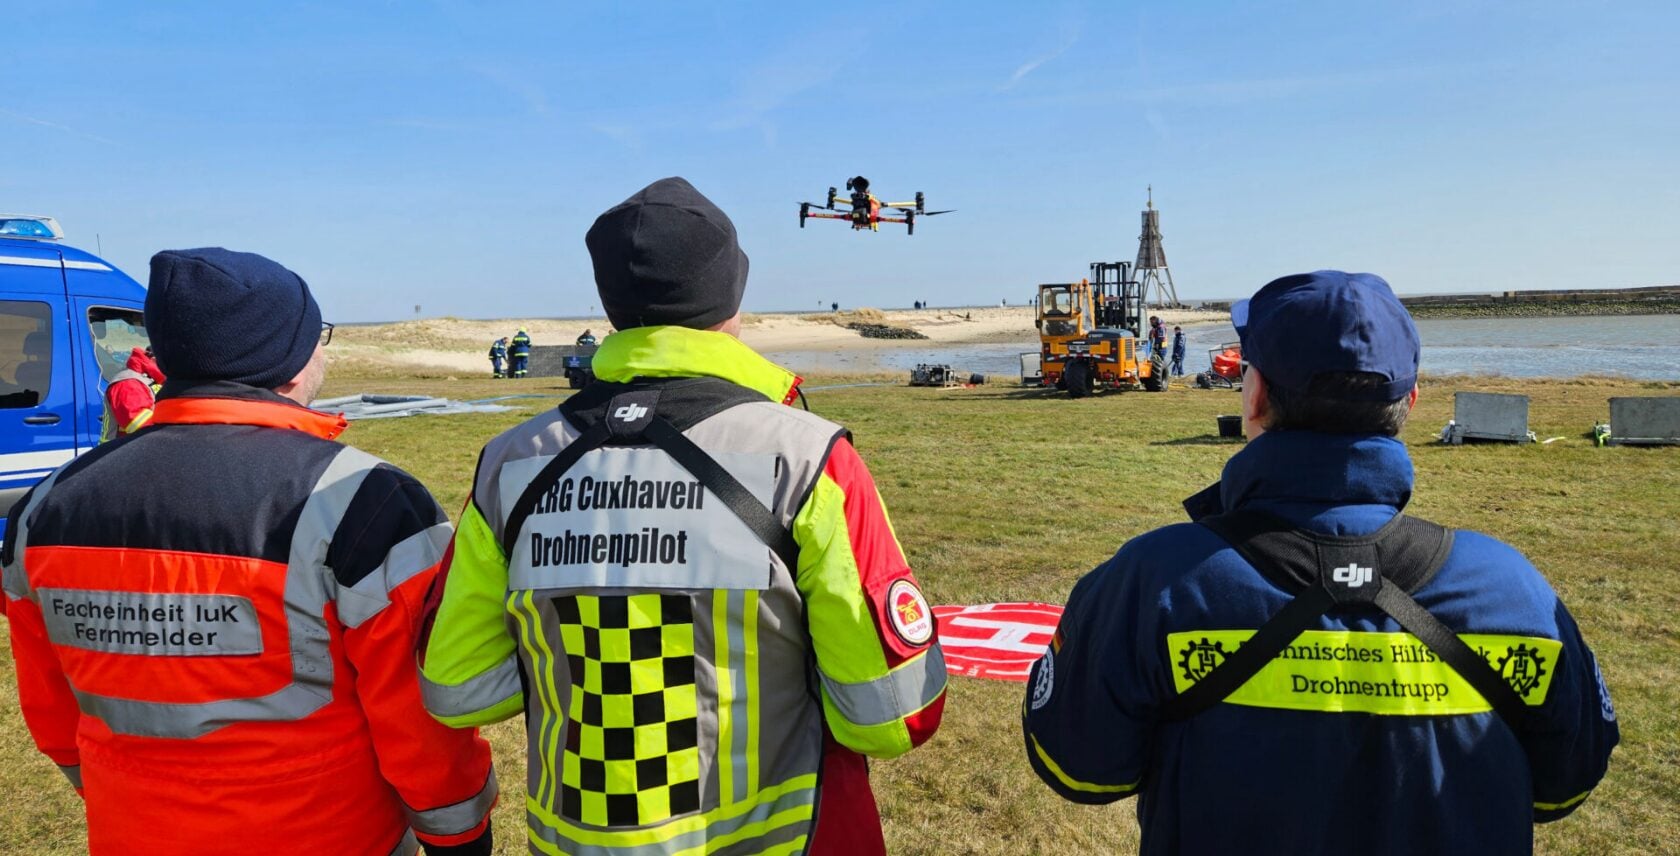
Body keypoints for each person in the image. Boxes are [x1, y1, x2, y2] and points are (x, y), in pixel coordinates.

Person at [418, 177, 947, 855]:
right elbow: (894, 715)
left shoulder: (509, 465)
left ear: (611, 304)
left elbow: (460, 691)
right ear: (731, 296)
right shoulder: (804, 458)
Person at [1023, 270, 1618, 855]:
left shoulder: (1153, 581)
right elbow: (1563, 788)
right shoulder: (1516, 593)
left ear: (1253, 397)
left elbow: (1080, 769)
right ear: (1408, 403)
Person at [2, 248, 497, 856]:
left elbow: (53, 716)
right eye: (319, 338)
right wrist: (460, 834)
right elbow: (417, 719)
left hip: (133, 833)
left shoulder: (43, 508)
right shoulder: (362, 500)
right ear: (287, 360)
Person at [99, 346, 166, 442]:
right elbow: (140, 426)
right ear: (154, 360)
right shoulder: (128, 384)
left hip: (137, 449)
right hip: (120, 451)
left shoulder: (150, 379)